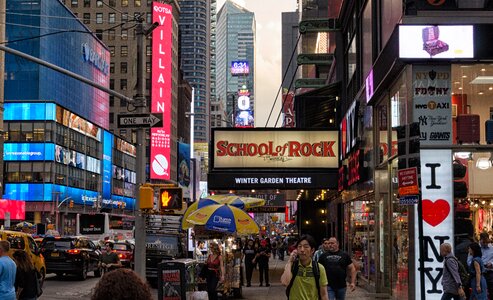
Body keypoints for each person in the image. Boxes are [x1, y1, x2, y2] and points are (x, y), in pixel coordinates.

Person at [281, 234, 329, 300]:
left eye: (306, 247)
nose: (302, 250)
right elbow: (285, 282)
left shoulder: (319, 268)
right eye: (299, 246)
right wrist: (290, 261)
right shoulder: (292, 266)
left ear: (312, 250)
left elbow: (324, 294)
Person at [477, 232, 493, 300]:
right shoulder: (476, 248)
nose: (485, 244)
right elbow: (469, 261)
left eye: (486, 242)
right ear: (480, 240)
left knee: (491, 291)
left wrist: (492, 264)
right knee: (480, 292)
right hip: (479, 274)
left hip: (490, 274)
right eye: (483, 242)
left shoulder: (492, 248)